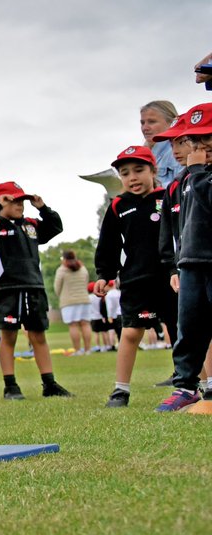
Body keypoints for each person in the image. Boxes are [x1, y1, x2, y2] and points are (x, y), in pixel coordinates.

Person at [0, 183, 72, 400]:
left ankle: (49, 384)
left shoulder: (30, 225)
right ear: (0, 202)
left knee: (38, 335)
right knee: (9, 336)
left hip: (34, 287)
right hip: (8, 289)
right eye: (14, 200)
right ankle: (10, 386)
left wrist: (43, 208)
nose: (20, 205)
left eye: (22, 200)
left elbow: (56, 227)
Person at [94, 146, 172, 407]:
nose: (133, 178)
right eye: (125, 173)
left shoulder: (168, 197)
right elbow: (108, 245)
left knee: (182, 332)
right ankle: (120, 391)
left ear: (154, 170)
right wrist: (104, 274)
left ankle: (195, 384)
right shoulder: (118, 206)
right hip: (136, 281)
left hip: (171, 279)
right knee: (129, 334)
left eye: (139, 170)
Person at [156, 106, 212, 411]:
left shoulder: (200, 174)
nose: (199, 147)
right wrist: (176, 263)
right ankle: (187, 385)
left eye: (207, 138)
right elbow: (179, 225)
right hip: (191, 263)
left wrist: (200, 171)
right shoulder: (187, 178)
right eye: (195, 140)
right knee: (189, 329)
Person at [55, 250, 93, 355]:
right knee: (85, 324)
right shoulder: (83, 269)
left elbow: (57, 287)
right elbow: (86, 282)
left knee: (73, 325)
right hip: (84, 299)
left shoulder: (61, 270)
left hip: (68, 302)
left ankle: (77, 350)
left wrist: (61, 296)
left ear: (64, 259)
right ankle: (88, 350)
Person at [141, 100, 180, 186]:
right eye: (142, 123)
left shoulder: (178, 152)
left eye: (151, 122)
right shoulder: (142, 155)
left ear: (172, 122)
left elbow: (182, 189)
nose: (145, 128)